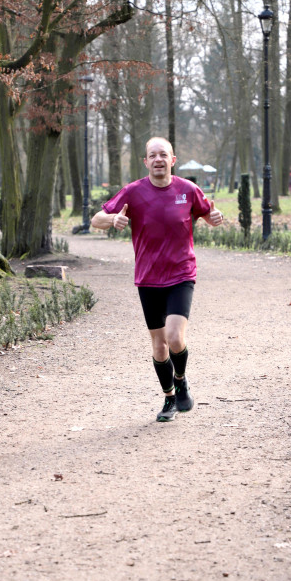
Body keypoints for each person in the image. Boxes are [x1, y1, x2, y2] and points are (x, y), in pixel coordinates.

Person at [91, 137, 223, 422]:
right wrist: (112, 220)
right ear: (146, 161)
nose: (159, 159)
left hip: (181, 274)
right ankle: (169, 398)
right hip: (148, 278)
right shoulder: (133, 192)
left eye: (164, 154)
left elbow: (206, 213)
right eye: (153, 155)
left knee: (175, 337)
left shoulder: (188, 190)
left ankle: (182, 379)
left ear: (173, 160)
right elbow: (96, 219)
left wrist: (214, 218)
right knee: (159, 346)